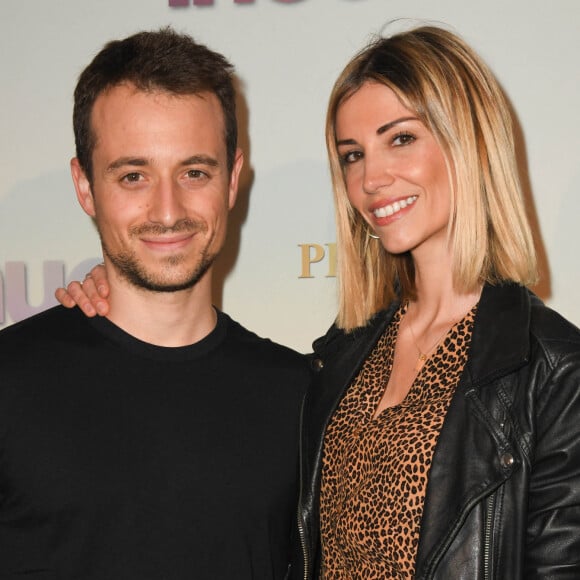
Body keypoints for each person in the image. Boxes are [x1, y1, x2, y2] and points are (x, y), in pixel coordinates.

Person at [57, 25, 580, 580]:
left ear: (469, 141)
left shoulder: (551, 370)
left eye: (401, 138)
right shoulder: (345, 355)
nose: (372, 178)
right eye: (352, 155)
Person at [0, 28, 310, 579]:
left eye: (194, 172)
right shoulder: (9, 379)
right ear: (85, 186)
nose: (167, 210)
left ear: (233, 179)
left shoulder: (303, 396)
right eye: (133, 175)